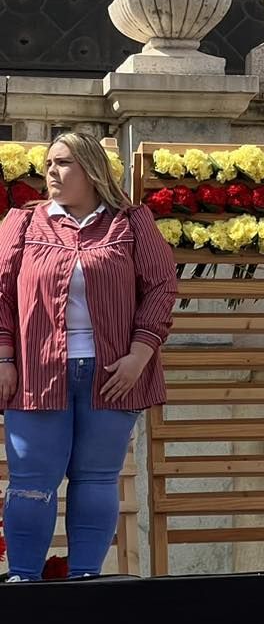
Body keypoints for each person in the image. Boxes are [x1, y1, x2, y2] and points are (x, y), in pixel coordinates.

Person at [0, 132, 178, 582]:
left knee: (97, 478)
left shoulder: (131, 223)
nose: (52, 173)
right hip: (36, 373)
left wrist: (139, 354)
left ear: (92, 170)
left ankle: (85, 583)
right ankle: (22, 582)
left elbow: (161, 287)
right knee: (30, 483)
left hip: (113, 373)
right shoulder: (22, 222)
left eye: (63, 163)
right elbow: (0, 293)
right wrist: (3, 357)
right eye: (48, 164)